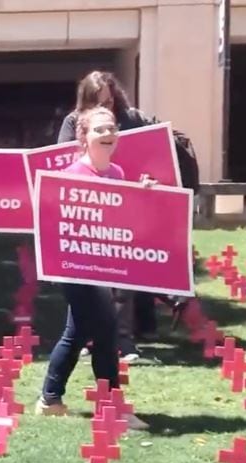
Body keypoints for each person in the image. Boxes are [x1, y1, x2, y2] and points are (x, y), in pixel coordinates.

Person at [35, 106, 149, 430]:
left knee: (76, 333)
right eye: (99, 129)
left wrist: (141, 194)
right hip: (75, 269)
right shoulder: (71, 176)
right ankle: (111, 408)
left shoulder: (117, 175)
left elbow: (121, 222)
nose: (107, 134)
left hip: (104, 270)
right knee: (107, 330)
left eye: (111, 128)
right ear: (83, 137)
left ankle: (50, 400)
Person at [57, 71, 159, 361]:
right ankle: (87, 342)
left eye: (109, 102)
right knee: (89, 289)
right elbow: (61, 166)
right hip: (85, 218)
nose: (105, 108)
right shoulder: (71, 123)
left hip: (117, 215)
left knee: (122, 282)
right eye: (97, 103)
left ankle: (122, 340)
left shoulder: (128, 121)